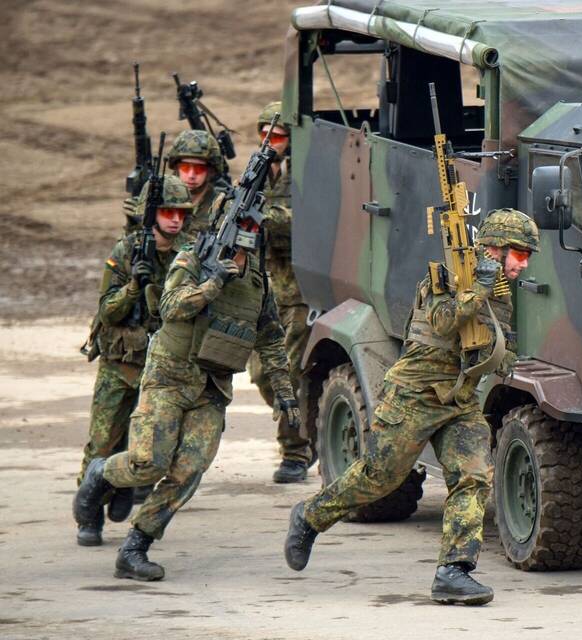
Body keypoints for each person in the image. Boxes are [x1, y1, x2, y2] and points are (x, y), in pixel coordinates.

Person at [283, 209, 540, 606]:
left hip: (458, 401)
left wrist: (503, 357)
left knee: (473, 476)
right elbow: (441, 322)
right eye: (518, 254)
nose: (523, 264)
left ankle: (453, 572)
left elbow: (493, 342)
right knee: (379, 478)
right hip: (414, 396)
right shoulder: (447, 278)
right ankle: (309, 517)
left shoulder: (501, 294)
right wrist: (477, 291)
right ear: (492, 249)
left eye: (527, 257)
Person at [73, 211, 300, 581]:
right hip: (168, 377)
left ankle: (135, 547)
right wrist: (213, 284)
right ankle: (102, 472)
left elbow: (271, 339)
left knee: (189, 470)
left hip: (211, 387)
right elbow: (171, 306)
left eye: (255, 229)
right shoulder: (193, 258)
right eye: (244, 227)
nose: (249, 235)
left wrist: (286, 395)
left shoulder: (259, 280)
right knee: (150, 462)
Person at [76, 177, 193, 546]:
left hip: (159, 367)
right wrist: (132, 288)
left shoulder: (187, 254)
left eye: (180, 213)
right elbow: (107, 312)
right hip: (119, 363)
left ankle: (124, 486)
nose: (175, 220)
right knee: (102, 441)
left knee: (148, 446)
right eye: (166, 212)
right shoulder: (125, 252)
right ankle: (89, 514)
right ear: (150, 215)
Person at [246, 102, 316, 483]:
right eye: (265, 135)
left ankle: (296, 451)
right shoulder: (257, 175)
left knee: (288, 372)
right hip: (263, 290)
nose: (270, 143)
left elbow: (309, 222)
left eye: (278, 137)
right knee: (260, 373)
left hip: (299, 291)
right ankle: (308, 428)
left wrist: (266, 219)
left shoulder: (305, 176)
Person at [167, 129, 228, 240]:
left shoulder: (222, 207)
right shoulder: (161, 199)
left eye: (199, 169)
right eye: (185, 167)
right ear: (176, 168)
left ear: (210, 171)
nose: (191, 175)